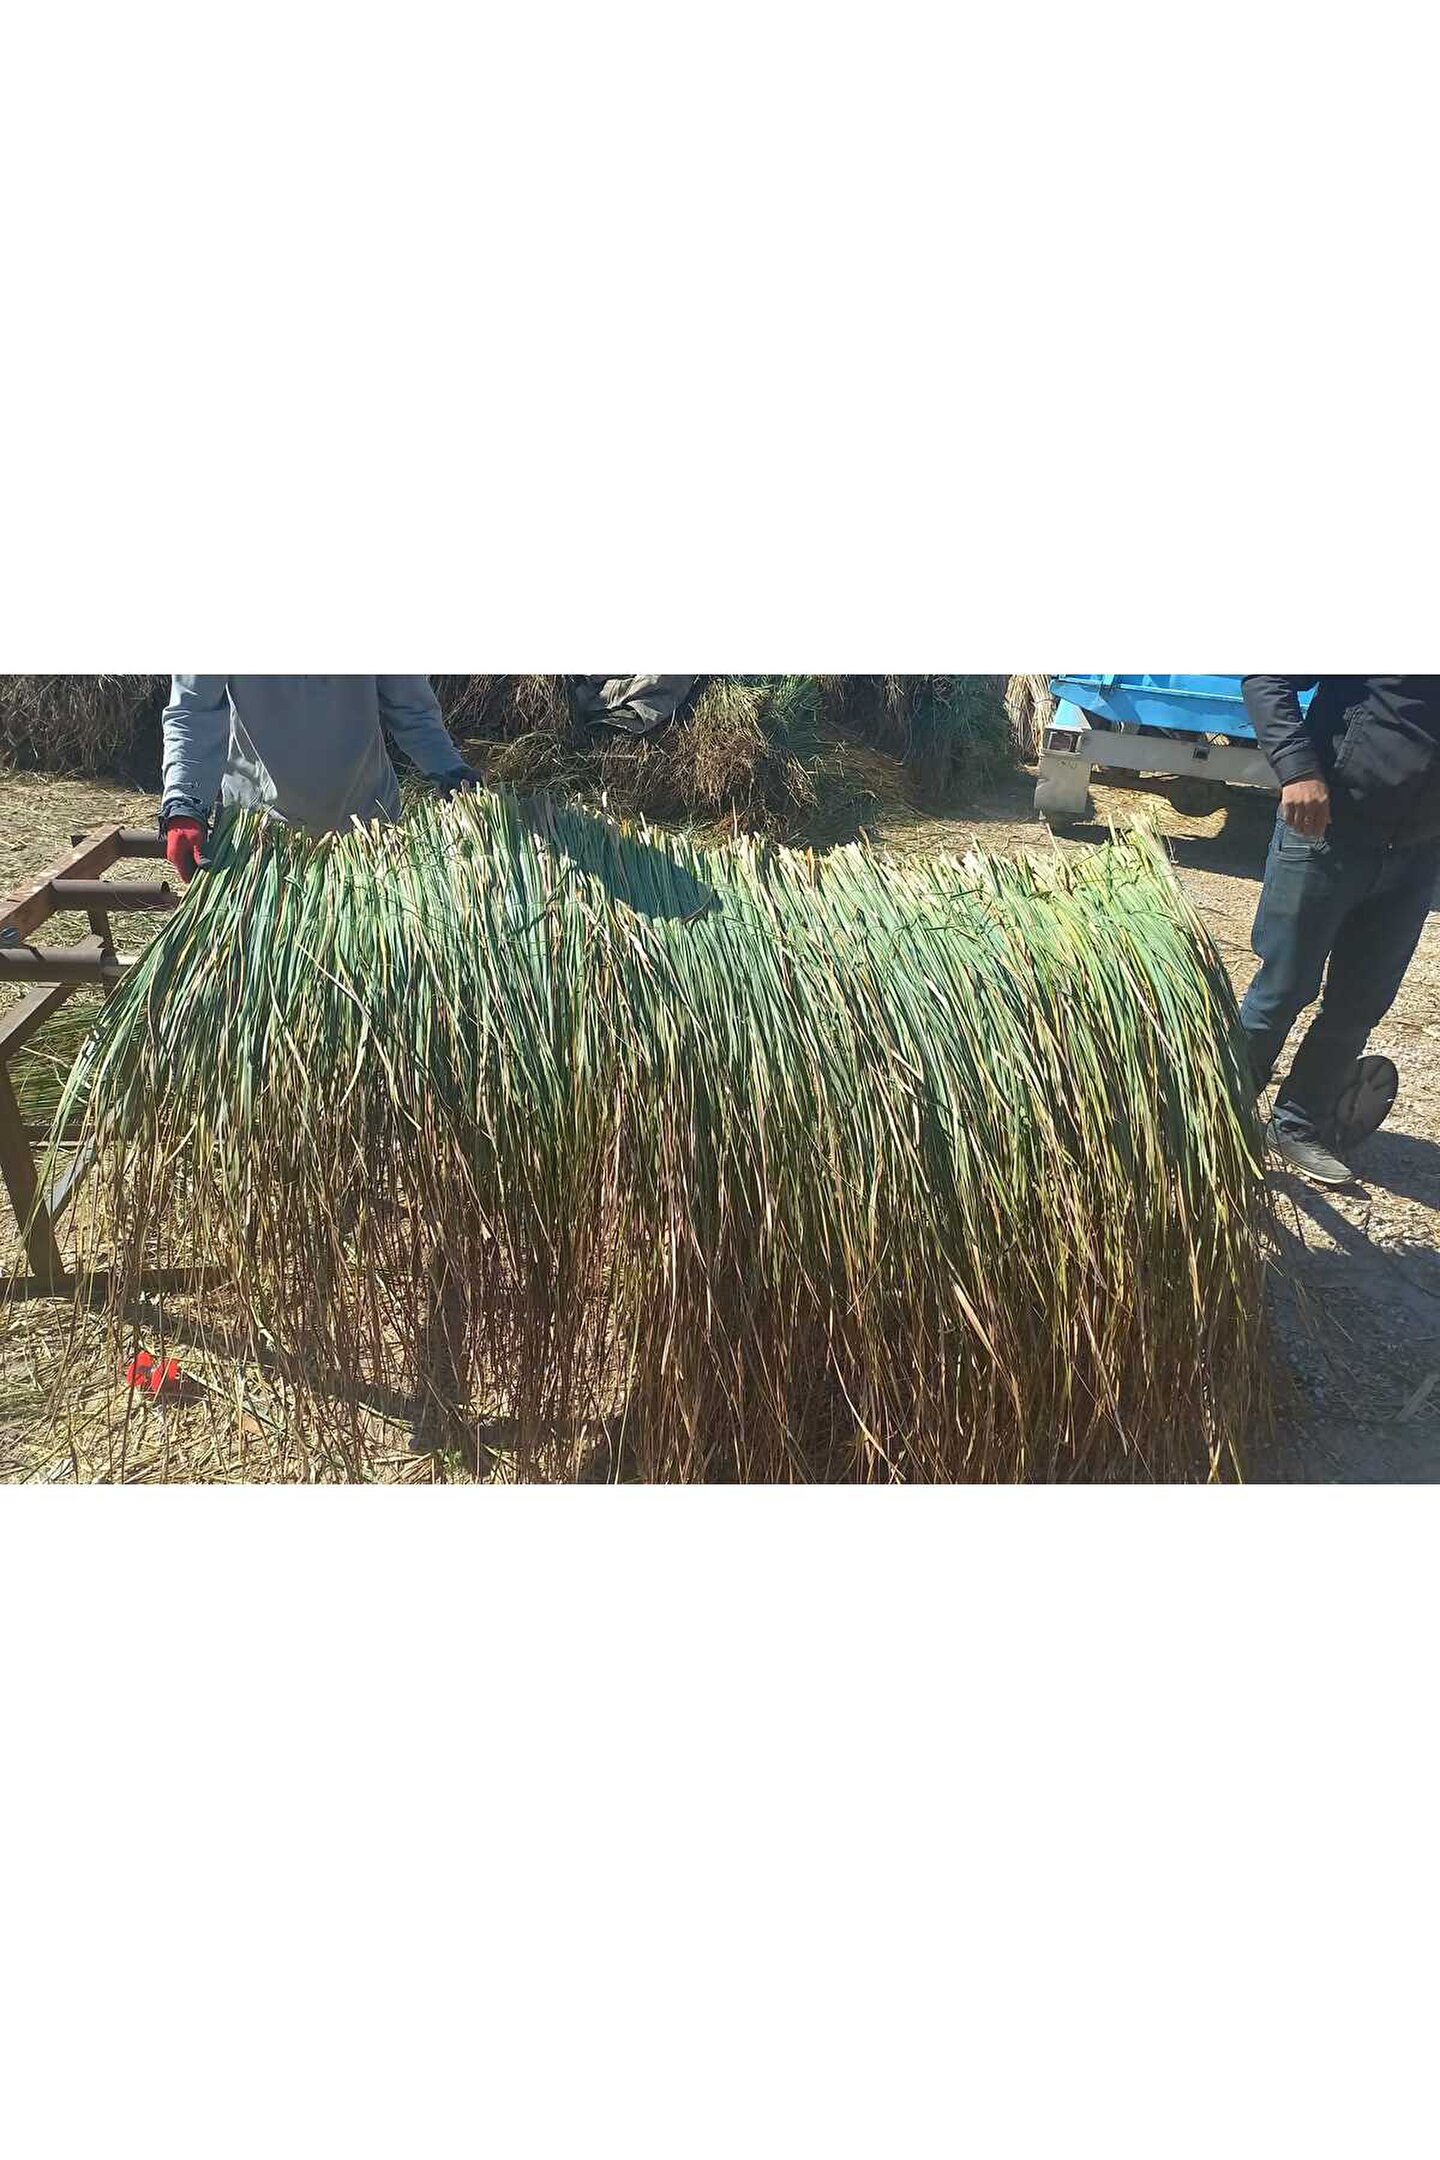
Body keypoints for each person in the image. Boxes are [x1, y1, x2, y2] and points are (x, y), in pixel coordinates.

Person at [1240, 675, 1440, 1185]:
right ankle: (1218, 1115)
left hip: (1418, 853)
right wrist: (1297, 770)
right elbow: (1267, 678)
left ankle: (1296, 1123)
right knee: (1283, 988)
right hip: (1329, 829)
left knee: (1360, 1002)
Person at [159, 674, 476, 880]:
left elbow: (412, 709)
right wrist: (185, 803)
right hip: (263, 838)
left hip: (367, 834)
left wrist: (450, 771)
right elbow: (192, 711)